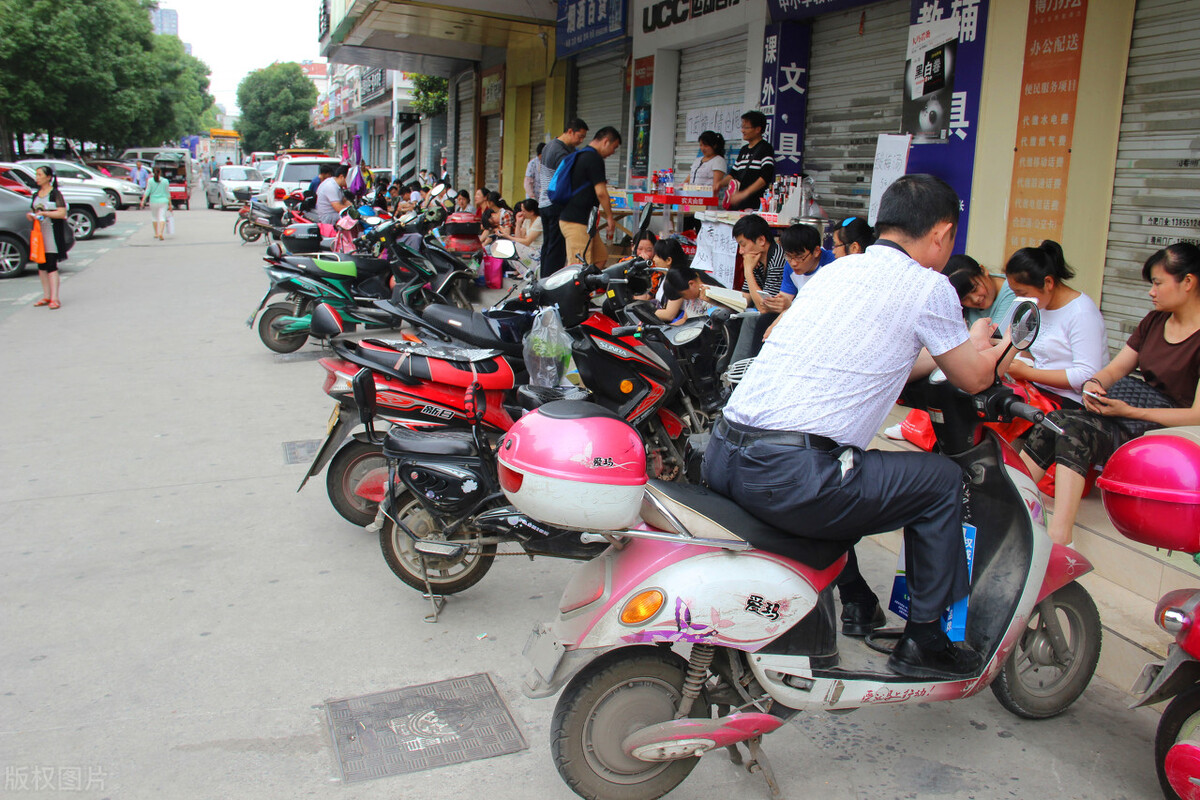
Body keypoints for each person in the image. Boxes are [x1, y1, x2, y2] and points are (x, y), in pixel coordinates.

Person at [704, 174, 1016, 680]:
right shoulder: (929, 286)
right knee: (939, 480)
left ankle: (856, 600)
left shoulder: (837, 271)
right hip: (791, 474)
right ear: (941, 234)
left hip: (725, 455)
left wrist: (955, 351)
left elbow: (885, 359)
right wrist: (1000, 340)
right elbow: (976, 378)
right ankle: (925, 641)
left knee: (854, 467)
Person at [1022, 243, 1200, 546]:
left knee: (1074, 431)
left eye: (1157, 283)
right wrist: (1094, 383)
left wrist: (1130, 412)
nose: (1151, 292)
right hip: (1132, 418)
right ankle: (1010, 502)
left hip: (1170, 433)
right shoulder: (1154, 321)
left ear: (1188, 282)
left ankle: (1060, 538)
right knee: (1055, 421)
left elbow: (1196, 415)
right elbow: (1116, 369)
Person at [1002, 241, 1107, 407]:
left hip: (1069, 402)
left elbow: (1087, 375)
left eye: (1023, 293)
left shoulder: (1081, 313)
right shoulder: (1039, 305)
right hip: (1038, 390)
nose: (1020, 299)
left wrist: (1028, 373)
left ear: (1048, 283)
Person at [759, 223, 836, 342]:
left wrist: (790, 307)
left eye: (799, 257)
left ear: (816, 251)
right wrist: (776, 305)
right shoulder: (789, 268)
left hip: (823, 317)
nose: (794, 263)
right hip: (800, 313)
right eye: (789, 257)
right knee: (765, 320)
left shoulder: (832, 264)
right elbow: (786, 299)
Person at [558, 126, 621, 269]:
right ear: (606, 141)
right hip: (576, 222)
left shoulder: (582, 155)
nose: (613, 152)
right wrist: (610, 218)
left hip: (585, 222)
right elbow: (601, 192)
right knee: (578, 268)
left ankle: (589, 284)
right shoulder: (593, 158)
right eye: (614, 147)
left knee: (600, 258)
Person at [538, 118, 589, 276]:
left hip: (544, 203)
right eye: (580, 136)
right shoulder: (560, 152)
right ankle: (550, 283)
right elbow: (569, 178)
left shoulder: (550, 146)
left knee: (548, 246)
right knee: (556, 250)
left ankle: (543, 280)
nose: (581, 141)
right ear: (570, 131)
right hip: (555, 204)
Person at [26, 166, 68, 309]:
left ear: (48, 177)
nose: (37, 178)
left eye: (40, 175)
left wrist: (46, 214)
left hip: (51, 233)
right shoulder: (36, 195)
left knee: (51, 265)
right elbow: (33, 211)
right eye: (36, 175)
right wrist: (31, 216)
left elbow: (62, 213)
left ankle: (55, 298)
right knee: (41, 266)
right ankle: (46, 295)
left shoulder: (55, 194)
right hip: (39, 234)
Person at [943, 253, 1018, 329]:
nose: (975, 299)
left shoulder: (1013, 292)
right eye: (964, 299)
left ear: (983, 270)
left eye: (974, 289)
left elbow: (997, 334)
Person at [652, 240, 711, 324]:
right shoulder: (691, 296)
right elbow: (684, 319)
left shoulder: (708, 297)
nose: (684, 299)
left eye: (657, 255)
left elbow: (670, 315)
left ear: (691, 284)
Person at [727, 111, 775, 211]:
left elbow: (765, 177)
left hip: (754, 206)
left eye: (746, 127)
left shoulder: (765, 148)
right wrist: (718, 185)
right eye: (742, 127)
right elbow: (733, 174)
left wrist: (744, 193)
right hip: (738, 206)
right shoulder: (744, 149)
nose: (742, 130)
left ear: (758, 129)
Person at [140, 166, 171, 240]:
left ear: (153, 172)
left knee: (154, 217)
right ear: (160, 172)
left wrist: (143, 200)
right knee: (162, 217)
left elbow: (147, 191)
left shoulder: (150, 181)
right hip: (163, 201)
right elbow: (167, 193)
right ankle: (161, 233)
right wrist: (170, 204)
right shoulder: (165, 181)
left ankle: (156, 233)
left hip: (153, 201)